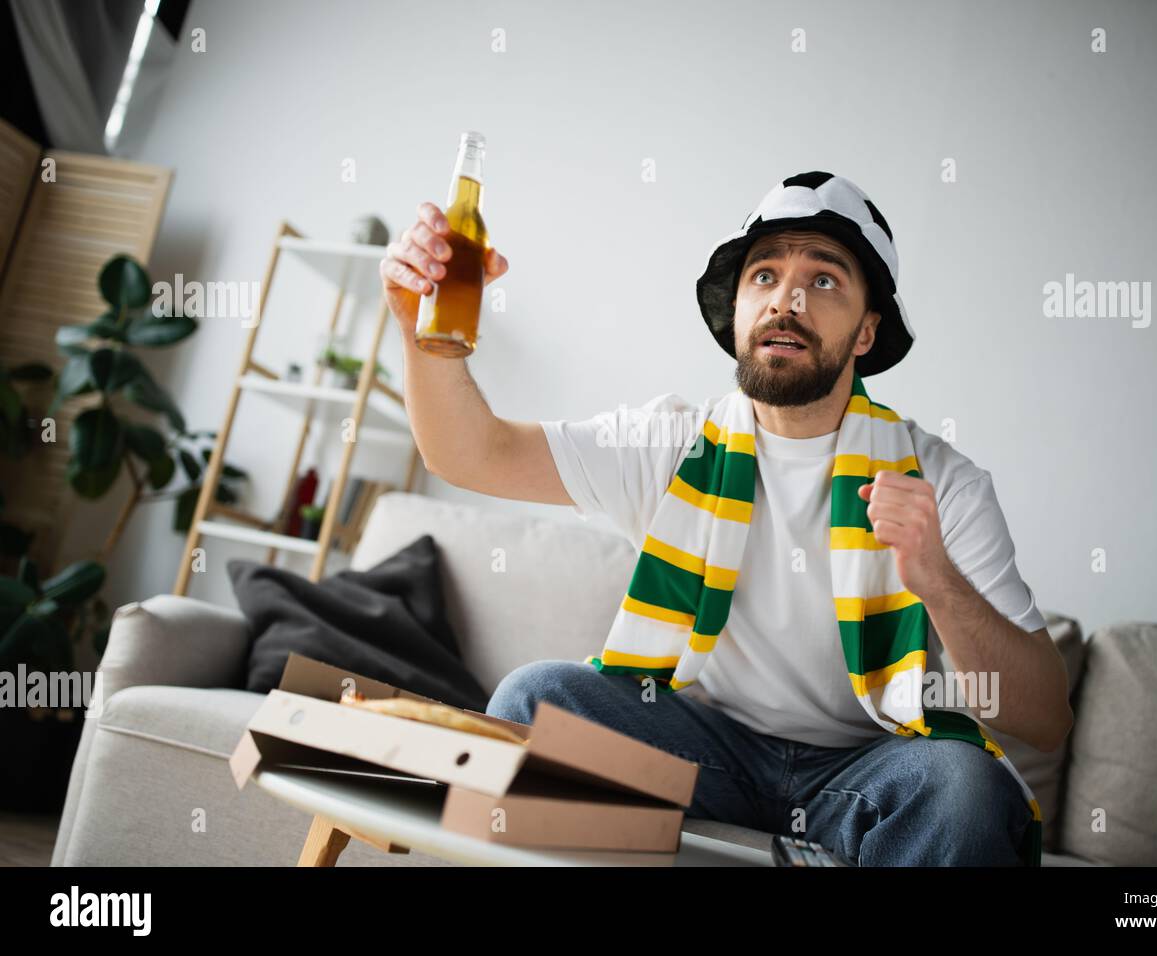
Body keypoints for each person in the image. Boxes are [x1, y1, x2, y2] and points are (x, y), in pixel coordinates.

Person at [380, 170, 1072, 866]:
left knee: (967, 788)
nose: (787, 300)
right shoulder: (672, 445)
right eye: (764, 276)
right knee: (536, 699)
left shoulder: (942, 485)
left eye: (823, 280)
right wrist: (418, 330)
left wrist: (937, 578)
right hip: (699, 754)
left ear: (867, 333)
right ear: (737, 312)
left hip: (866, 775)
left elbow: (1043, 720)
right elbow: (472, 453)